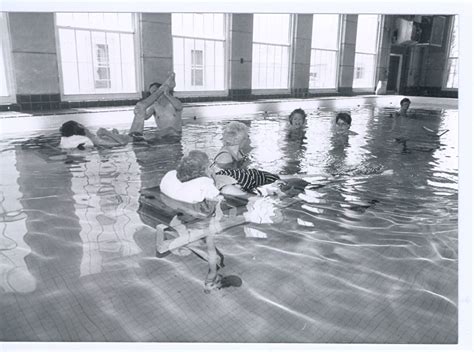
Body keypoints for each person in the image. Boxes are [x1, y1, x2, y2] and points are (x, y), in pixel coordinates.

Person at [129, 72, 183, 139]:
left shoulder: (173, 102)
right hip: (162, 136)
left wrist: (167, 94)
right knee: (145, 138)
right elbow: (145, 117)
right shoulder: (154, 106)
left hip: (175, 135)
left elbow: (179, 106)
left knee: (168, 131)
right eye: (152, 94)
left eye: (155, 92)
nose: (154, 96)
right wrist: (139, 111)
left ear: (163, 91)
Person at [59, 120, 130, 149]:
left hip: (130, 136)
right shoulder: (96, 140)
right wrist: (107, 132)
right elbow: (122, 143)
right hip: (136, 139)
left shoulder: (94, 137)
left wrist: (114, 134)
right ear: (80, 126)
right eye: (80, 124)